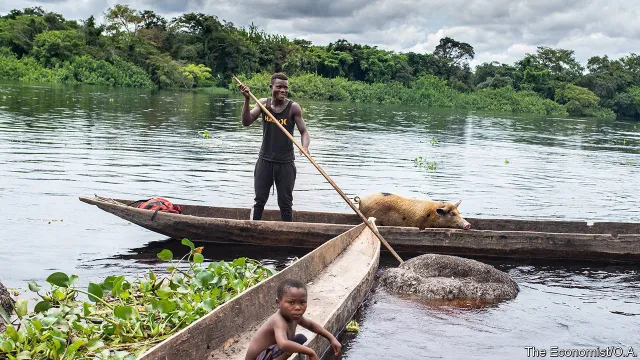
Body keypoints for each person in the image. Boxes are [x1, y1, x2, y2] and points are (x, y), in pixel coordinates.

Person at [238, 73, 310, 222]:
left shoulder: (293, 108)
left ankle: (288, 235)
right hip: (265, 161)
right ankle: (254, 231)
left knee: (285, 204)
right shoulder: (264, 104)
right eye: (279, 87)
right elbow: (246, 121)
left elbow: (304, 132)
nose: (283, 90)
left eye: (285, 88)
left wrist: (304, 147)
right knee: (259, 201)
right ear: (271, 87)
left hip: (286, 163)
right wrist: (246, 99)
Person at [245, 279, 342, 360]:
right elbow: (283, 344)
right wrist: (310, 352)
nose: (297, 307)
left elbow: (311, 325)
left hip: (269, 354)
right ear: (278, 303)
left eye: (302, 302)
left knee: (300, 338)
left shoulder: (294, 316)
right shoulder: (278, 320)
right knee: (288, 347)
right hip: (259, 358)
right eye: (291, 302)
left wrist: (331, 338)